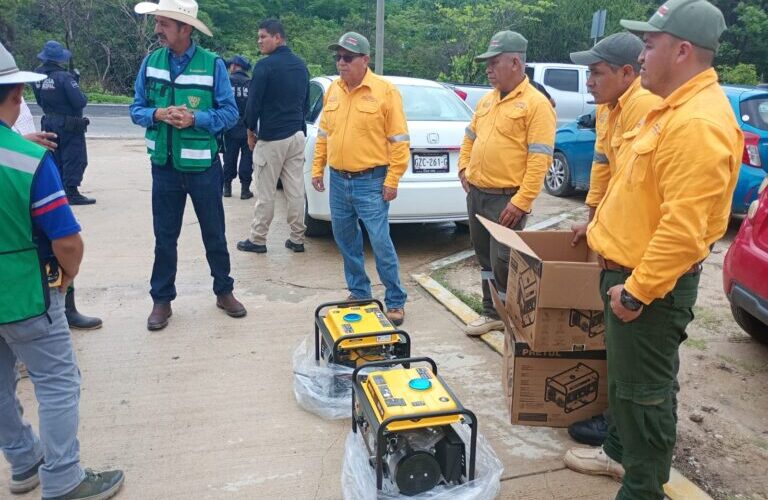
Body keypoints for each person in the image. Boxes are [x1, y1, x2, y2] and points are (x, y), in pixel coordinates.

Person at [563, 1, 743, 498]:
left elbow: (684, 231)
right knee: (628, 388)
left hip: (648, 288)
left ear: (682, 50)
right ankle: (622, 461)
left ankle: (641, 490)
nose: (641, 56)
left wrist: (636, 293)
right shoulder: (669, 109)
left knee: (644, 397)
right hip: (628, 275)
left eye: (649, 44)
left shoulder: (697, 124)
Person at [0, 41, 124, 500]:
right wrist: (65, 280)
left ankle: (23, 462)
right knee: (57, 383)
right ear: (14, 96)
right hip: (26, 294)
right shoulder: (29, 161)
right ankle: (63, 479)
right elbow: (67, 241)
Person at [565, 33, 661, 447]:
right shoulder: (610, 108)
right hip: (615, 244)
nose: (589, 80)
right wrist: (592, 222)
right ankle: (617, 425)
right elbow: (605, 170)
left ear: (627, 72)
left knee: (641, 364)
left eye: (596, 72)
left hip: (640, 255)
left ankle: (626, 440)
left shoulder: (646, 108)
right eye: (588, 72)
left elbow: (640, 189)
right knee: (619, 352)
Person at [130, 0, 246, 331]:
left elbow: (229, 113)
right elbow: (136, 109)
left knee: (215, 233)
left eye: (164, 24)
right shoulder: (150, 62)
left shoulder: (213, 65)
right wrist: (157, 114)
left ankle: (224, 291)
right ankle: (162, 300)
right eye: (158, 23)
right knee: (164, 237)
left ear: (186, 29)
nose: (157, 30)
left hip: (204, 169)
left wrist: (195, 118)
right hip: (164, 167)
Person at [458, 31, 556, 337]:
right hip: (477, 194)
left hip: (506, 199)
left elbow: (539, 160)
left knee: (505, 260)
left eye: (494, 62)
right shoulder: (487, 101)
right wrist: (463, 168)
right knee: (485, 257)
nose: (488, 68)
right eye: (487, 63)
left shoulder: (536, 105)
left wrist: (521, 202)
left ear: (515, 62)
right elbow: (469, 137)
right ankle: (492, 313)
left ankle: (512, 318)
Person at [310, 32, 409, 325]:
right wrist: (318, 168)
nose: (341, 63)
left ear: (365, 60)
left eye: (348, 58)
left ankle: (395, 299)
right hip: (339, 180)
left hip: (371, 181)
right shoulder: (334, 91)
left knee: (380, 241)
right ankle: (359, 291)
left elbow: (399, 140)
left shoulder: (385, 92)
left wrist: (393, 179)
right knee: (345, 239)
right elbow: (324, 134)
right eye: (338, 57)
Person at [13, 97, 103, 330]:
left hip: (30, 167)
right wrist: (20, 143)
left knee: (57, 237)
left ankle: (65, 306)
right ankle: (23, 319)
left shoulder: (16, 90)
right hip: (12, 176)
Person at [237, 19, 310, 254]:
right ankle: (297, 239)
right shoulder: (301, 66)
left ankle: (258, 240)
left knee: (266, 192)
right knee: (295, 189)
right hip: (297, 135)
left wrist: (250, 132)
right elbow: (305, 104)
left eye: (263, 36)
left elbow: (253, 105)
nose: (259, 41)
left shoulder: (264, 66)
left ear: (278, 37)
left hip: (272, 138)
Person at [32, 40, 95, 205]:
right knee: (74, 156)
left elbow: (39, 101)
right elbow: (79, 102)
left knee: (55, 155)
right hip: (69, 123)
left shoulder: (37, 76)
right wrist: (76, 82)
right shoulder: (65, 77)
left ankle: (58, 190)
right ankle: (72, 192)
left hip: (49, 121)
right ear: (60, 59)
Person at [222, 54, 253, 199]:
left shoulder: (227, 82)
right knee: (247, 157)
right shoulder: (251, 83)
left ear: (234, 66)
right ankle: (245, 190)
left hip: (230, 125)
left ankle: (226, 188)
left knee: (229, 156)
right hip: (248, 126)